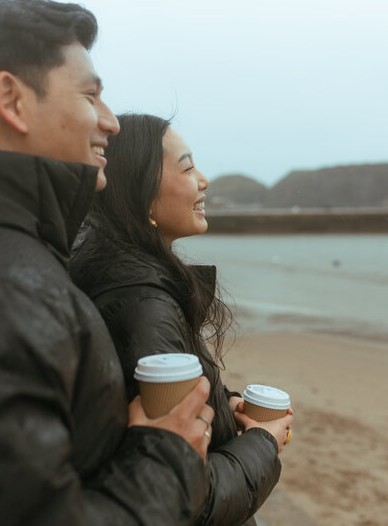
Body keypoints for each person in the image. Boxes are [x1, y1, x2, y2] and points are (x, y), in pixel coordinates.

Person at [0, 0, 215, 526]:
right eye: (90, 96)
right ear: (11, 100)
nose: (110, 123)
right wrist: (166, 453)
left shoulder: (33, 262)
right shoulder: (13, 288)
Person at [70, 113, 294, 525]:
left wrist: (222, 409)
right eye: (188, 167)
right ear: (142, 192)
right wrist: (263, 441)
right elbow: (189, 496)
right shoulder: (142, 303)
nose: (204, 180)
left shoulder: (126, 278)